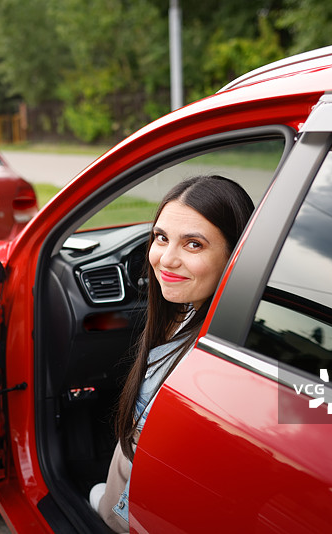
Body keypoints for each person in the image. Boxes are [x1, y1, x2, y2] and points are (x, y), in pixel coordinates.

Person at [89, 175, 255, 532]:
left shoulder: (209, 359)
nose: (166, 259)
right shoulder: (199, 315)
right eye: (161, 238)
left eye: (193, 245)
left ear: (235, 254)